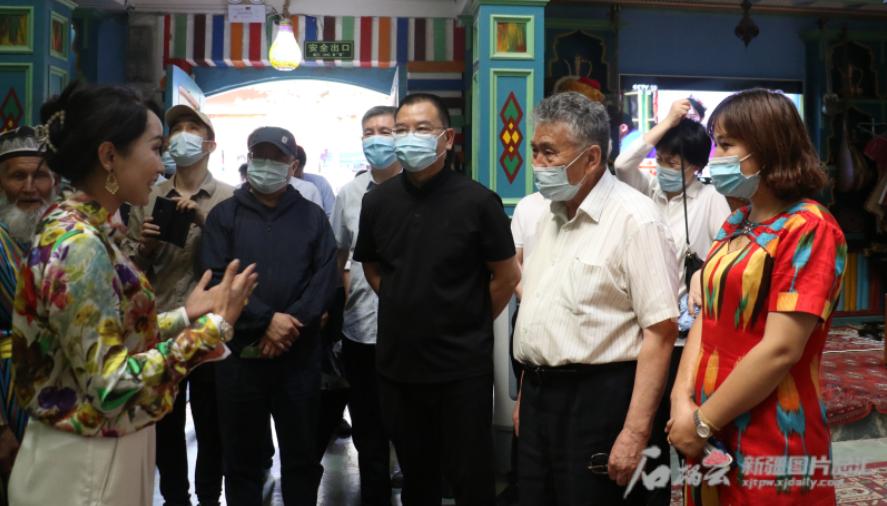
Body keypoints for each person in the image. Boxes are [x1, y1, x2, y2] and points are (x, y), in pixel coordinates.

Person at [7, 81, 256, 506]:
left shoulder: (85, 229)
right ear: (109, 157)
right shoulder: (79, 243)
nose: (162, 165)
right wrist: (212, 330)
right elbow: (111, 383)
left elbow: (105, 332)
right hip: (84, 462)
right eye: (156, 149)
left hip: (99, 450)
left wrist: (185, 315)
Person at [667, 89, 847, 505]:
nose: (715, 157)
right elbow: (707, 316)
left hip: (771, 424)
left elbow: (781, 349)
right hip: (708, 420)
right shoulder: (736, 221)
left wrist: (702, 422)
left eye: (726, 145)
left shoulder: (809, 227)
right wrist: (681, 400)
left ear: (768, 147)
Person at [513, 91, 680, 505]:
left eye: (549, 152)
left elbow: (660, 333)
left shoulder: (636, 220)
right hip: (538, 397)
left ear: (591, 158)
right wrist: (526, 396)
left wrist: (636, 433)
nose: (537, 163)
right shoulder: (546, 214)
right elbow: (540, 311)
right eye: (534, 151)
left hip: (599, 401)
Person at [354, 93, 520, 505]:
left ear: (447, 139)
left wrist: (467, 318)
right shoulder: (377, 201)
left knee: (470, 476)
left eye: (422, 129)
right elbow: (372, 267)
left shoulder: (478, 202)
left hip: (462, 368)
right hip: (398, 366)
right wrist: (404, 302)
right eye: (402, 130)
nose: (410, 137)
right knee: (416, 477)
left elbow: (506, 275)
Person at [201, 126, 337, 506]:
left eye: (277, 158)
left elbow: (325, 279)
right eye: (260, 156)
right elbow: (215, 276)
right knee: (240, 460)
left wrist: (289, 325)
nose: (267, 164)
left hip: (298, 357)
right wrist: (265, 321)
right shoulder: (224, 216)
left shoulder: (312, 217)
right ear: (248, 160)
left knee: (301, 458)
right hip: (239, 358)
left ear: (293, 165)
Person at [614, 99, 731, 503]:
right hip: (646, 333)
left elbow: (725, 254)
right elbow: (623, 163)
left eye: (673, 163)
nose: (664, 168)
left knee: (685, 425)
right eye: (661, 160)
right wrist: (665, 123)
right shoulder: (647, 193)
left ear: (695, 166)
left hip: (688, 336)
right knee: (648, 427)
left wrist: (702, 273)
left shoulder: (711, 200)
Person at [126, 104, 234, 506]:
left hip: (210, 325)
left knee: (211, 422)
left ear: (210, 144)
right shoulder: (147, 194)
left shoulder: (229, 198)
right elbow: (128, 270)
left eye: (193, 128)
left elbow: (236, 260)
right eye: (177, 129)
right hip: (159, 322)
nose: (183, 134)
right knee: (165, 423)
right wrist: (146, 245)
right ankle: (174, 498)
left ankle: (209, 496)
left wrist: (207, 224)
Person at [329, 105, 402, 505]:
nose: (376, 139)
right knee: (368, 432)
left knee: (410, 431)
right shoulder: (350, 194)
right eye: (369, 132)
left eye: (385, 131)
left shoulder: (418, 190)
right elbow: (338, 255)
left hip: (410, 333)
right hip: (360, 331)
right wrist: (345, 301)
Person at [0, 127, 56, 504]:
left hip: (57, 395)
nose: (30, 187)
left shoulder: (62, 237)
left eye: (41, 175)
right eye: (18, 176)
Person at [294, 145, 335, 218]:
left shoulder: (319, 183)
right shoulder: (279, 185)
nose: (293, 174)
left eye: (296, 170)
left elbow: (331, 214)